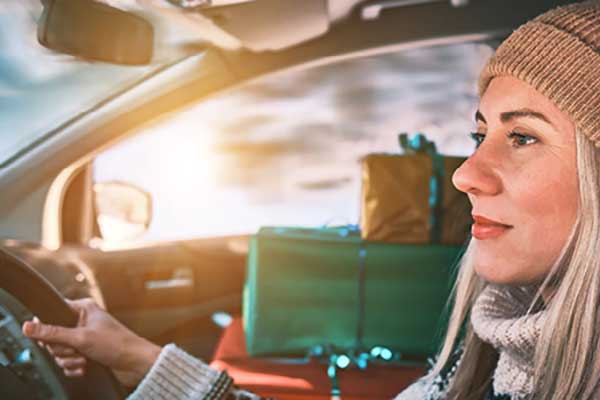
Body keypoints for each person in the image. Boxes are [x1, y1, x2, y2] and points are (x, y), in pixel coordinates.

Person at [22, 2, 600, 399]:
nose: (466, 174)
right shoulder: (499, 346)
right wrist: (138, 361)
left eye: (521, 137)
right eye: (479, 136)